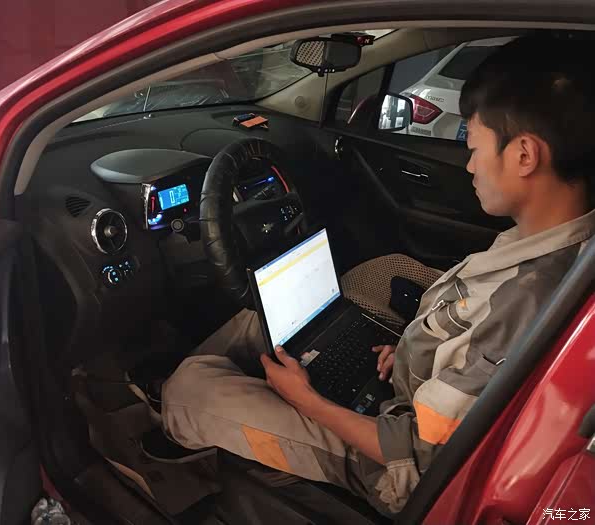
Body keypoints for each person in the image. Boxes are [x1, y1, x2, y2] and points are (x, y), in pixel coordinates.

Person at [160, 35, 595, 516]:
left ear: (525, 155)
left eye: (473, 146)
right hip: (402, 389)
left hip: (388, 469)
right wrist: (409, 357)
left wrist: (307, 401)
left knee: (187, 388)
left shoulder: (526, 298)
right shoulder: (559, 245)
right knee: (259, 321)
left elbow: (416, 452)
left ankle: (176, 440)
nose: (469, 164)